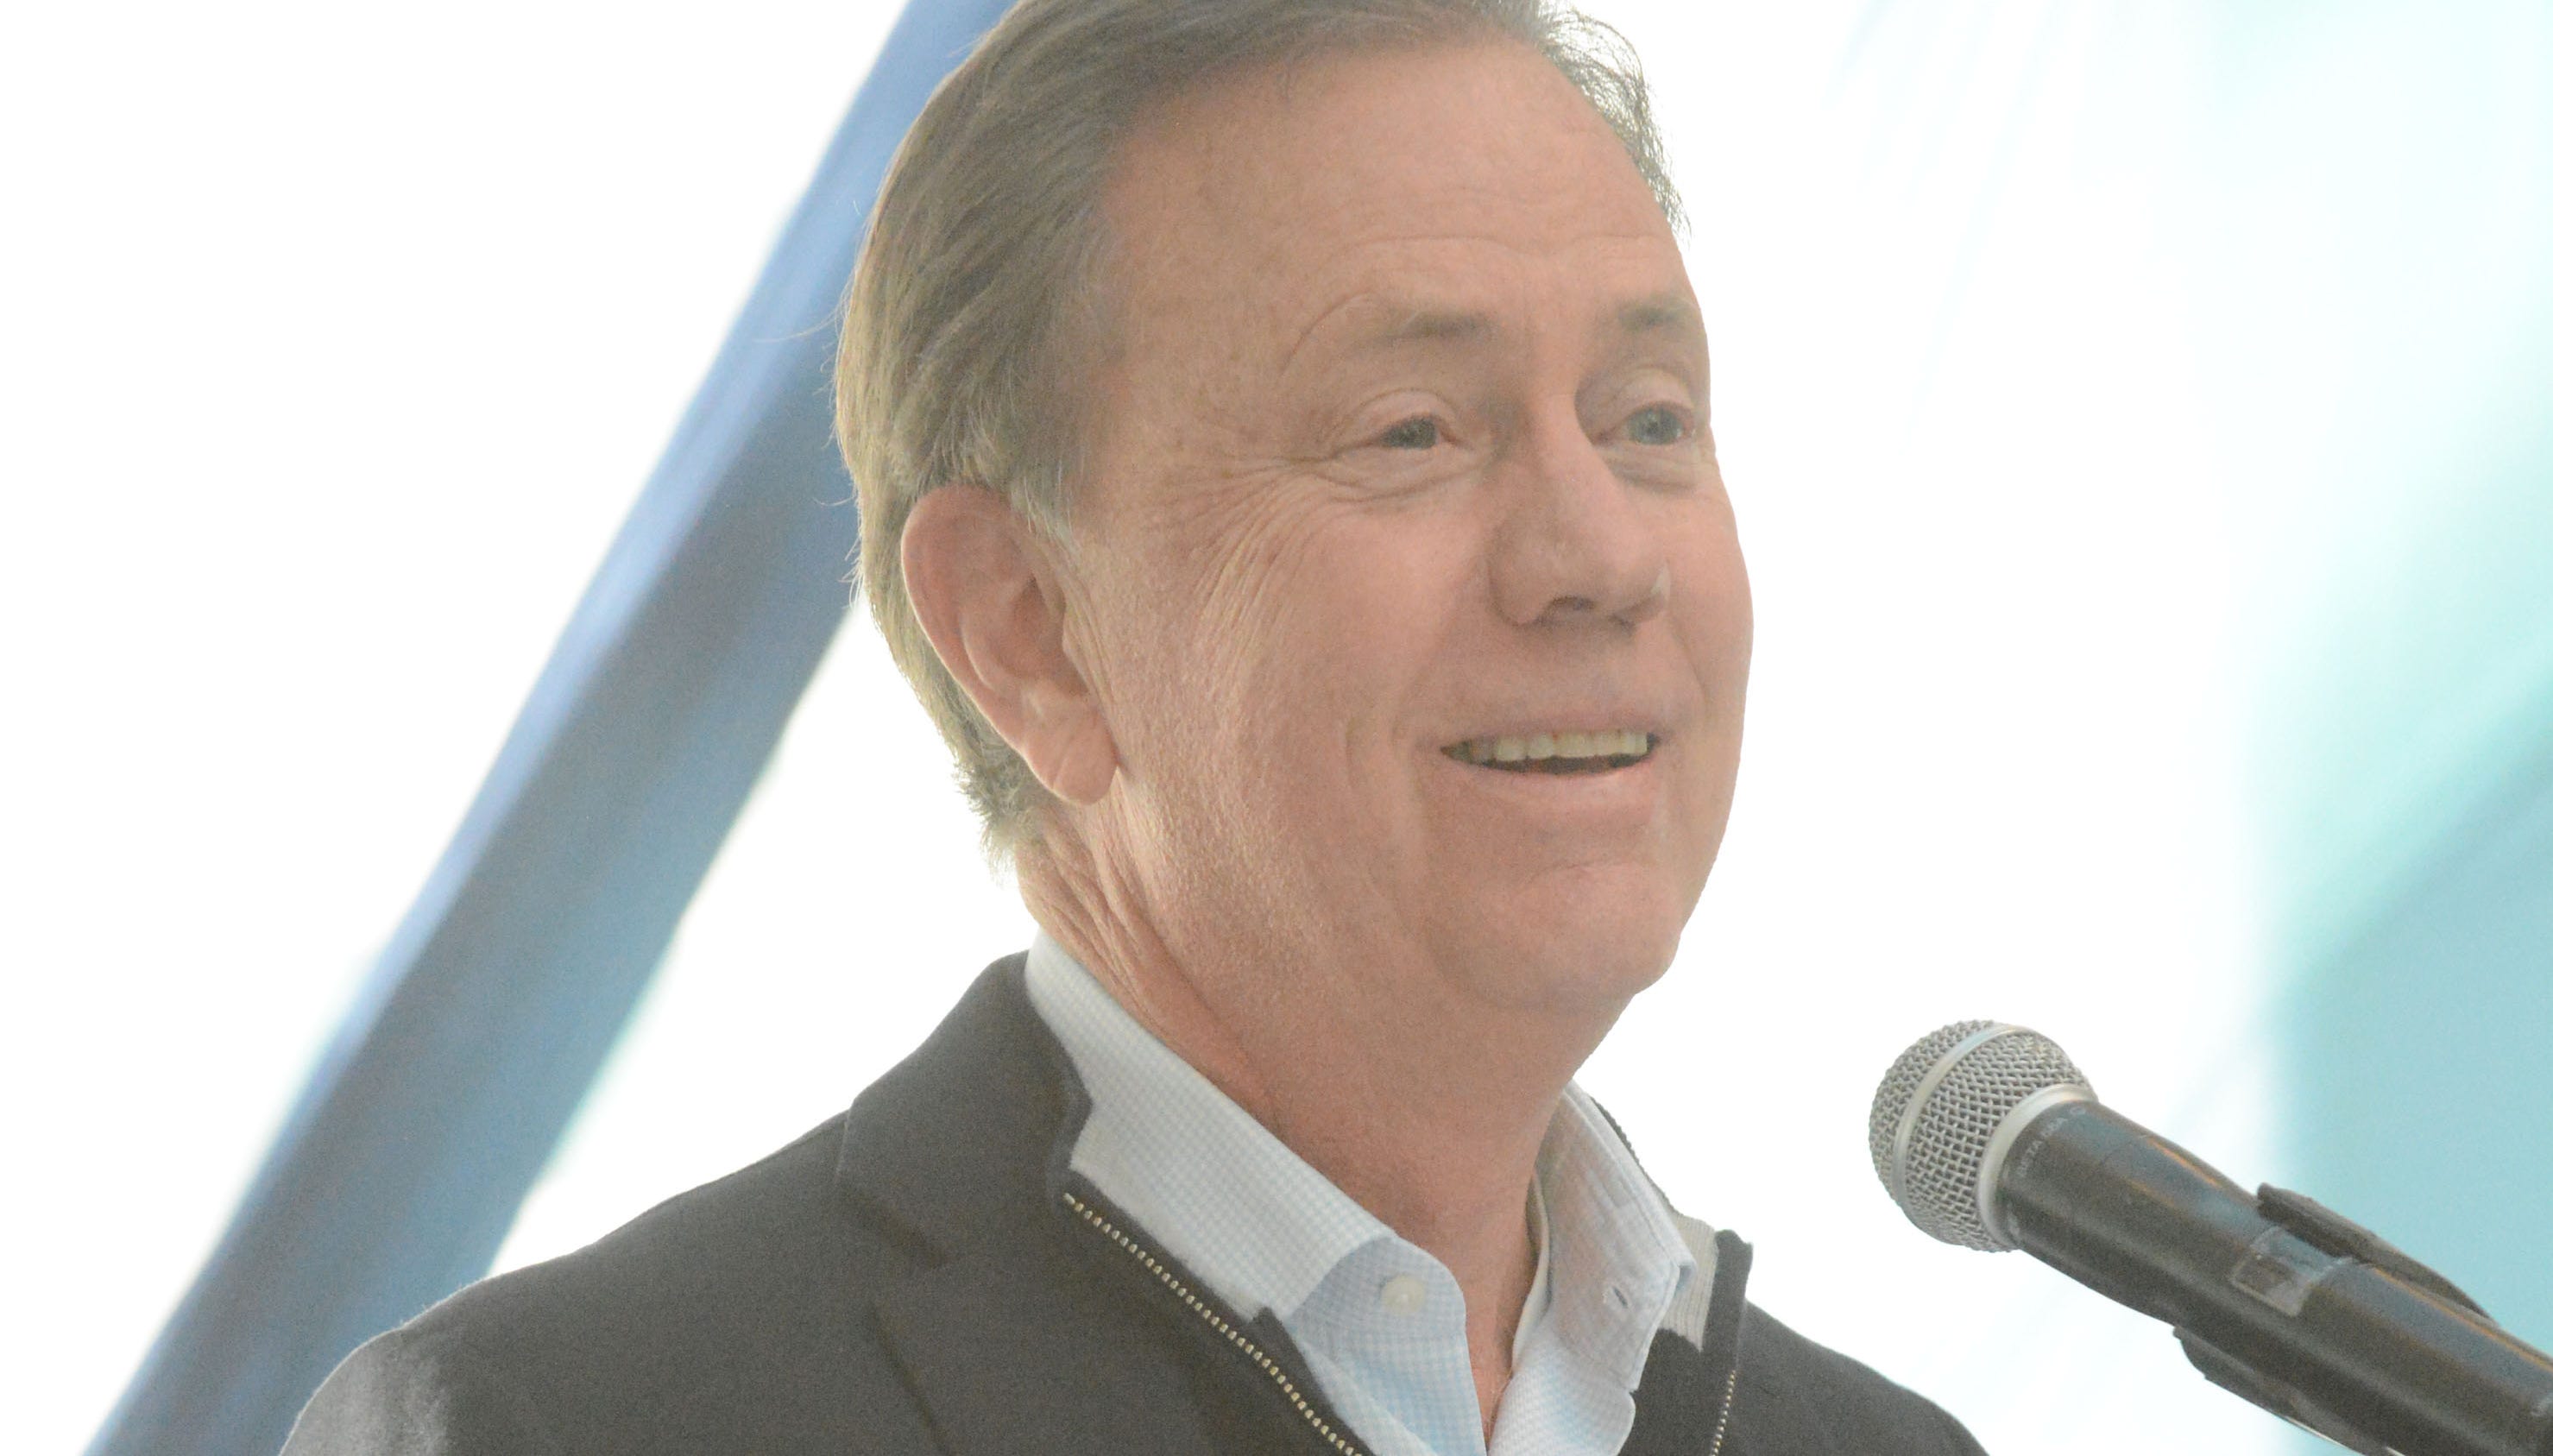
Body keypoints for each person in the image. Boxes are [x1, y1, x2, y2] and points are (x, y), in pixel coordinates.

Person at [286, 1, 1987, 1452]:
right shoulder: (574, 1425)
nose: (1602, 558)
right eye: (1412, 430)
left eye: (1650, 418)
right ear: (1030, 632)